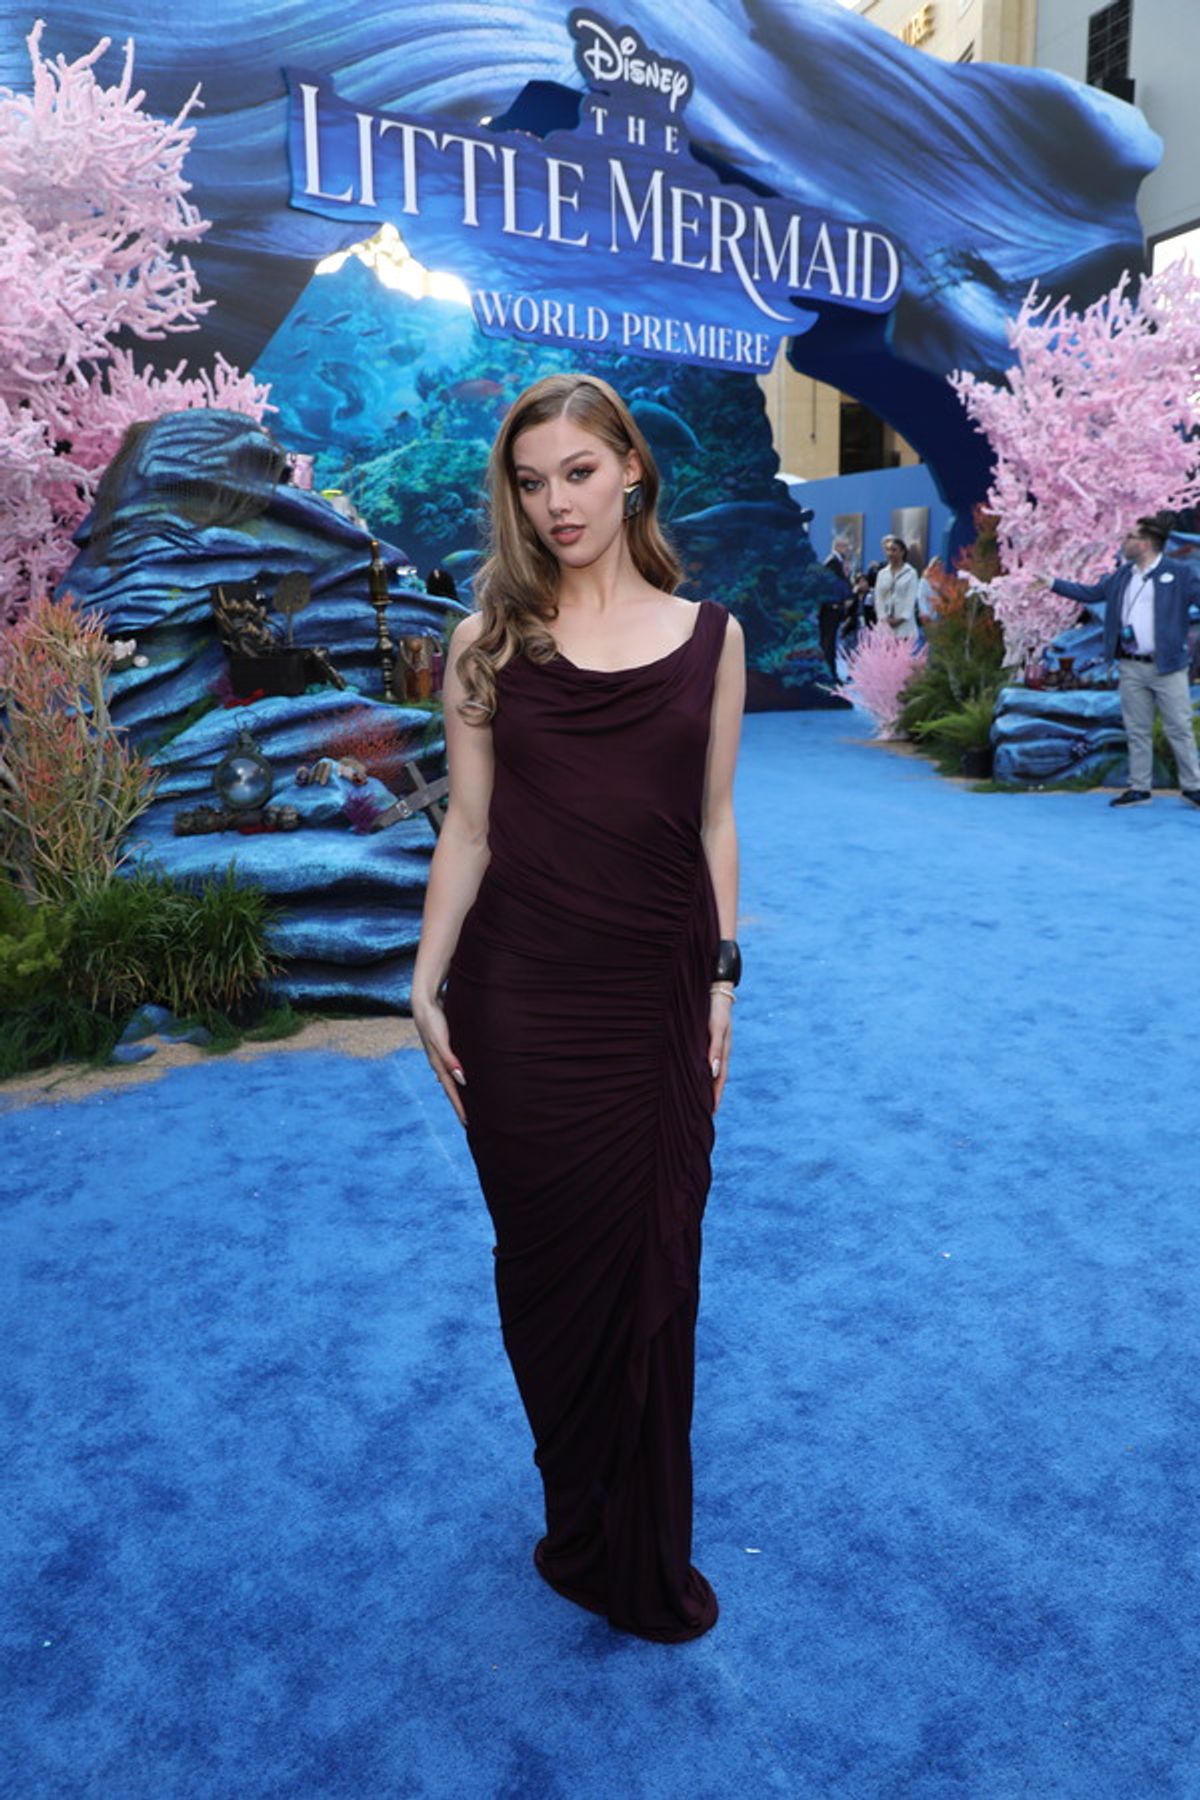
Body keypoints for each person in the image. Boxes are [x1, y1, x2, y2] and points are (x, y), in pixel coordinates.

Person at [411, 372, 745, 1642]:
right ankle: (579, 1513)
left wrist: (723, 980)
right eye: (532, 481)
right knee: (547, 1278)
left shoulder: (713, 638)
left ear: (633, 470)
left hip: (655, 998)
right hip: (521, 1001)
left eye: (580, 473)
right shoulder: (486, 642)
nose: (556, 502)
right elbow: (471, 828)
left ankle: (643, 1544)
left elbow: (713, 822)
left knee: (657, 1265)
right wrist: (423, 975)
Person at [1045, 515, 1200, 808]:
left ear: (1145, 543)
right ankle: (1139, 788)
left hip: (1168, 667)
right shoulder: (1122, 576)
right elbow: (1089, 593)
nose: (1123, 542)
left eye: (1129, 537)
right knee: (1136, 728)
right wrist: (1052, 583)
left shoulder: (1178, 573)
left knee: (1178, 727)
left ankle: (1193, 786)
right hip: (1131, 665)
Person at [819, 534, 854, 677]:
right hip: (830, 610)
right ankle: (829, 675)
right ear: (838, 546)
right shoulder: (832, 563)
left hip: (834, 610)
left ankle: (831, 673)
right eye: (846, 546)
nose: (848, 549)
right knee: (828, 644)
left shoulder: (838, 563)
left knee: (831, 643)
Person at [874, 535, 920, 639]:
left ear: (902, 552)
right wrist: (883, 618)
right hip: (885, 625)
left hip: (904, 625)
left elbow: (911, 599)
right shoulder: (882, 573)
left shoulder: (911, 573)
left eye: (894, 550)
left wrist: (900, 619)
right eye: (888, 550)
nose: (890, 553)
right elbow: (879, 598)